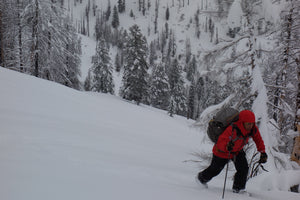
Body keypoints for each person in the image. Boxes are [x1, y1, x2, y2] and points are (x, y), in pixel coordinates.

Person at [196, 110, 268, 193]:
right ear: (242, 122)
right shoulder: (232, 128)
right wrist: (227, 146)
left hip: (237, 151)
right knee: (215, 170)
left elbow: (258, 139)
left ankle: (238, 189)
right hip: (222, 152)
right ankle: (201, 179)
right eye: (248, 123)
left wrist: (262, 152)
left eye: (252, 123)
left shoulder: (252, 129)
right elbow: (220, 142)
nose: (250, 125)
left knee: (243, 168)